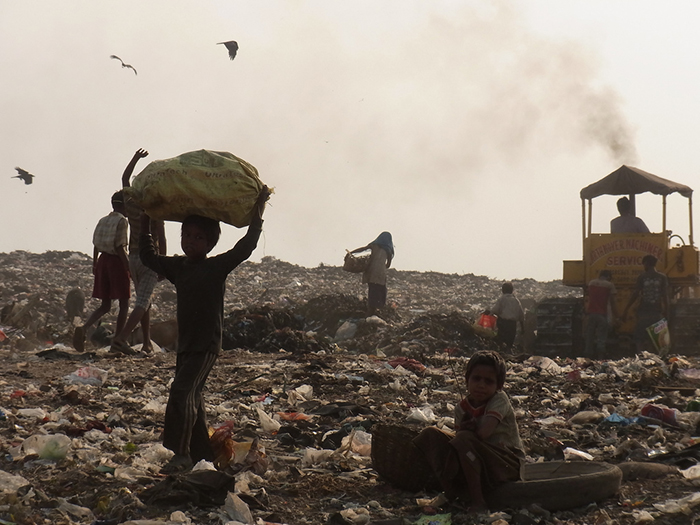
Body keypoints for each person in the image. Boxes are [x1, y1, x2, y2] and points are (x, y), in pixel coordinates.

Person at [139, 186, 270, 474]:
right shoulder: (178, 267)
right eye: (186, 235)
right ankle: (203, 456)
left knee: (181, 395)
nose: (190, 242)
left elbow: (245, 246)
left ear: (210, 244)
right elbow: (148, 257)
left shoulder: (217, 267)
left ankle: (181, 454)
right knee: (192, 400)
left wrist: (258, 211)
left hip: (205, 346)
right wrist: (146, 218)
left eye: (199, 238)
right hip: (185, 346)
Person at [413, 350, 524, 513]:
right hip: (478, 460)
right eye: (476, 379)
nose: (481, 385)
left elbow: (483, 433)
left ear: (498, 386)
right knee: (430, 434)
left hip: (507, 463)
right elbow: (460, 448)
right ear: (467, 380)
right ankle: (451, 491)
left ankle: (478, 501)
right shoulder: (461, 408)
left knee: (464, 438)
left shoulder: (499, 399)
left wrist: (468, 430)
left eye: (488, 381)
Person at [110, 148, 167, 355]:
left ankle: (146, 343)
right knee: (142, 303)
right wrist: (162, 263)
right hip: (150, 260)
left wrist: (135, 157)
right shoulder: (155, 208)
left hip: (133, 258)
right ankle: (121, 339)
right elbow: (161, 236)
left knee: (145, 302)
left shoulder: (131, 205)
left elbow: (125, 178)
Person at [73, 191, 131, 352]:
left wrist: (94, 264)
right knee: (124, 302)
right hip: (116, 262)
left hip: (102, 261)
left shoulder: (103, 220)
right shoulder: (122, 221)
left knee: (105, 305)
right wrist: (128, 267)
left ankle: (84, 327)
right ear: (123, 205)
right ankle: (118, 341)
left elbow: (96, 245)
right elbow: (120, 247)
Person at [622, 255, 669, 353]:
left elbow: (635, 294)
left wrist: (626, 309)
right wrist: (667, 311)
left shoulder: (642, 277)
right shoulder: (662, 277)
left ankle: (642, 356)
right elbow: (665, 295)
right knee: (658, 339)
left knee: (639, 337)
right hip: (657, 312)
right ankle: (657, 359)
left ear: (646, 263)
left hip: (644, 312)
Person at [349, 232, 394, 315]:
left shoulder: (374, 246)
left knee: (372, 291)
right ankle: (376, 310)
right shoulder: (388, 250)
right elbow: (388, 265)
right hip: (380, 274)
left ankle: (370, 310)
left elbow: (362, 249)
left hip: (371, 272)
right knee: (380, 291)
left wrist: (351, 253)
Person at [585, 270, 618, 358]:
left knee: (589, 337)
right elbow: (612, 302)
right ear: (608, 277)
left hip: (591, 314)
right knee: (601, 338)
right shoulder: (609, 285)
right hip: (602, 314)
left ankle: (588, 356)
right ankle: (600, 357)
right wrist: (617, 316)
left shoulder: (591, 283)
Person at [490, 282, 524, 350]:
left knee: (500, 341)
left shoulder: (502, 299)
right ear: (512, 291)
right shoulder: (516, 300)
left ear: (503, 290)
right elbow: (521, 315)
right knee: (509, 342)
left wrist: (489, 313)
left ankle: (501, 354)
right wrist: (522, 328)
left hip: (503, 323)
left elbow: (495, 310)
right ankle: (508, 354)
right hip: (512, 325)